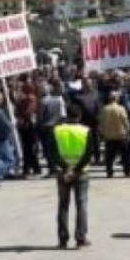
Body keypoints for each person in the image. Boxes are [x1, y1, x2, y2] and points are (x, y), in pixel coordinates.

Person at [50, 104, 96, 249]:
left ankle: (63, 240)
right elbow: (89, 153)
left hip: (63, 172)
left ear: (66, 115)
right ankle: (80, 238)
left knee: (63, 205)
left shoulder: (57, 130)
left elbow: (53, 153)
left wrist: (66, 168)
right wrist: (75, 170)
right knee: (81, 204)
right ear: (79, 116)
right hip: (81, 172)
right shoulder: (86, 131)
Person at [99, 92, 130, 178]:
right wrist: (128, 131)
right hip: (121, 135)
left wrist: (102, 133)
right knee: (125, 156)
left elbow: (101, 123)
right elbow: (125, 121)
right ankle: (127, 171)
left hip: (109, 136)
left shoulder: (104, 109)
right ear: (117, 98)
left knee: (109, 156)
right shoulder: (121, 109)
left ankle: (109, 172)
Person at [38, 80, 66, 176]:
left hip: (47, 127)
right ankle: (60, 167)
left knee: (48, 150)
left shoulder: (43, 101)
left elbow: (41, 116)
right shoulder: (59, 99)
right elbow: (63, 115)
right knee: (57, 149)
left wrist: (39, 125)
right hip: (57, 126)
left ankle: (52, 169)